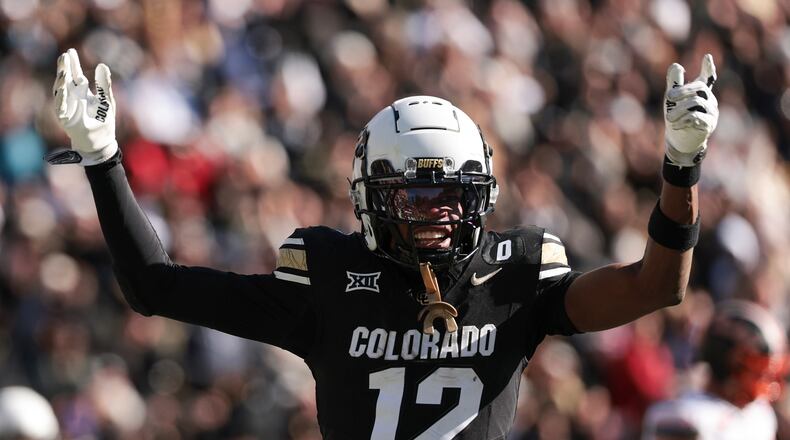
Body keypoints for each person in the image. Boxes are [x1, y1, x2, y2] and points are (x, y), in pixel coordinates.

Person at [48, 48, 718, 439]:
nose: (441, 215)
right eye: (417, 199)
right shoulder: (331, 278)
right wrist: (102, 159)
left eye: (455, 195)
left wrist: (681, 166)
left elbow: (659, 287)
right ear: (374, 197)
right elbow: (153, 287)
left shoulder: (513, 275)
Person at [642, 300, 788, 440]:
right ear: (733, 362)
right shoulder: (686, 416)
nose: (768, 381)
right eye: (760, 371)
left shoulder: (760, 414)